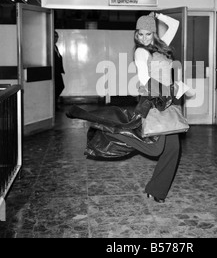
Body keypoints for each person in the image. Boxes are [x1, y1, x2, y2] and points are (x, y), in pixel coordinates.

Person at [66, 12, 188, 203]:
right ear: (136, 34)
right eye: (140, 34)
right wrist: (173, 88)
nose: (144, 38)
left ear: (154, 34)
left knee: (173, 149)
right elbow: (146, 80)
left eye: (148, 34)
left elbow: (174, 24)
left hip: (167, 100)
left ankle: (156, 190)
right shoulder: (141, 52)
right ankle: (114, 130)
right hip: (156, 101)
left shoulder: (160, 47)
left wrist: (158, 15)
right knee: (156, 149)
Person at [54, 30, 65, 111]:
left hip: (57, 71)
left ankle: (54, 104)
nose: (56, 38)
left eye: (57, 36)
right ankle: (54, 105)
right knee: (58, 87)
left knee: (60, 86)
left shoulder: (55, 47)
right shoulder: (50, 47)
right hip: (54, 72)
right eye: (54, 36)